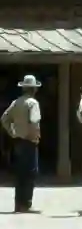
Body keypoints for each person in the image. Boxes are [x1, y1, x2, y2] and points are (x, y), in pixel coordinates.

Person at [0, 74, 41, 213]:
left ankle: (18, 204)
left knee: (20, 173)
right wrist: (35, 136)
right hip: (29, 141)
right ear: (33, 89)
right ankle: (27, 203)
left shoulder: (16, 102)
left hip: (18, 141)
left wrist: (12, 132)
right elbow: (35, 122)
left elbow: (4, 118)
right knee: (31, 173)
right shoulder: (33, 103)